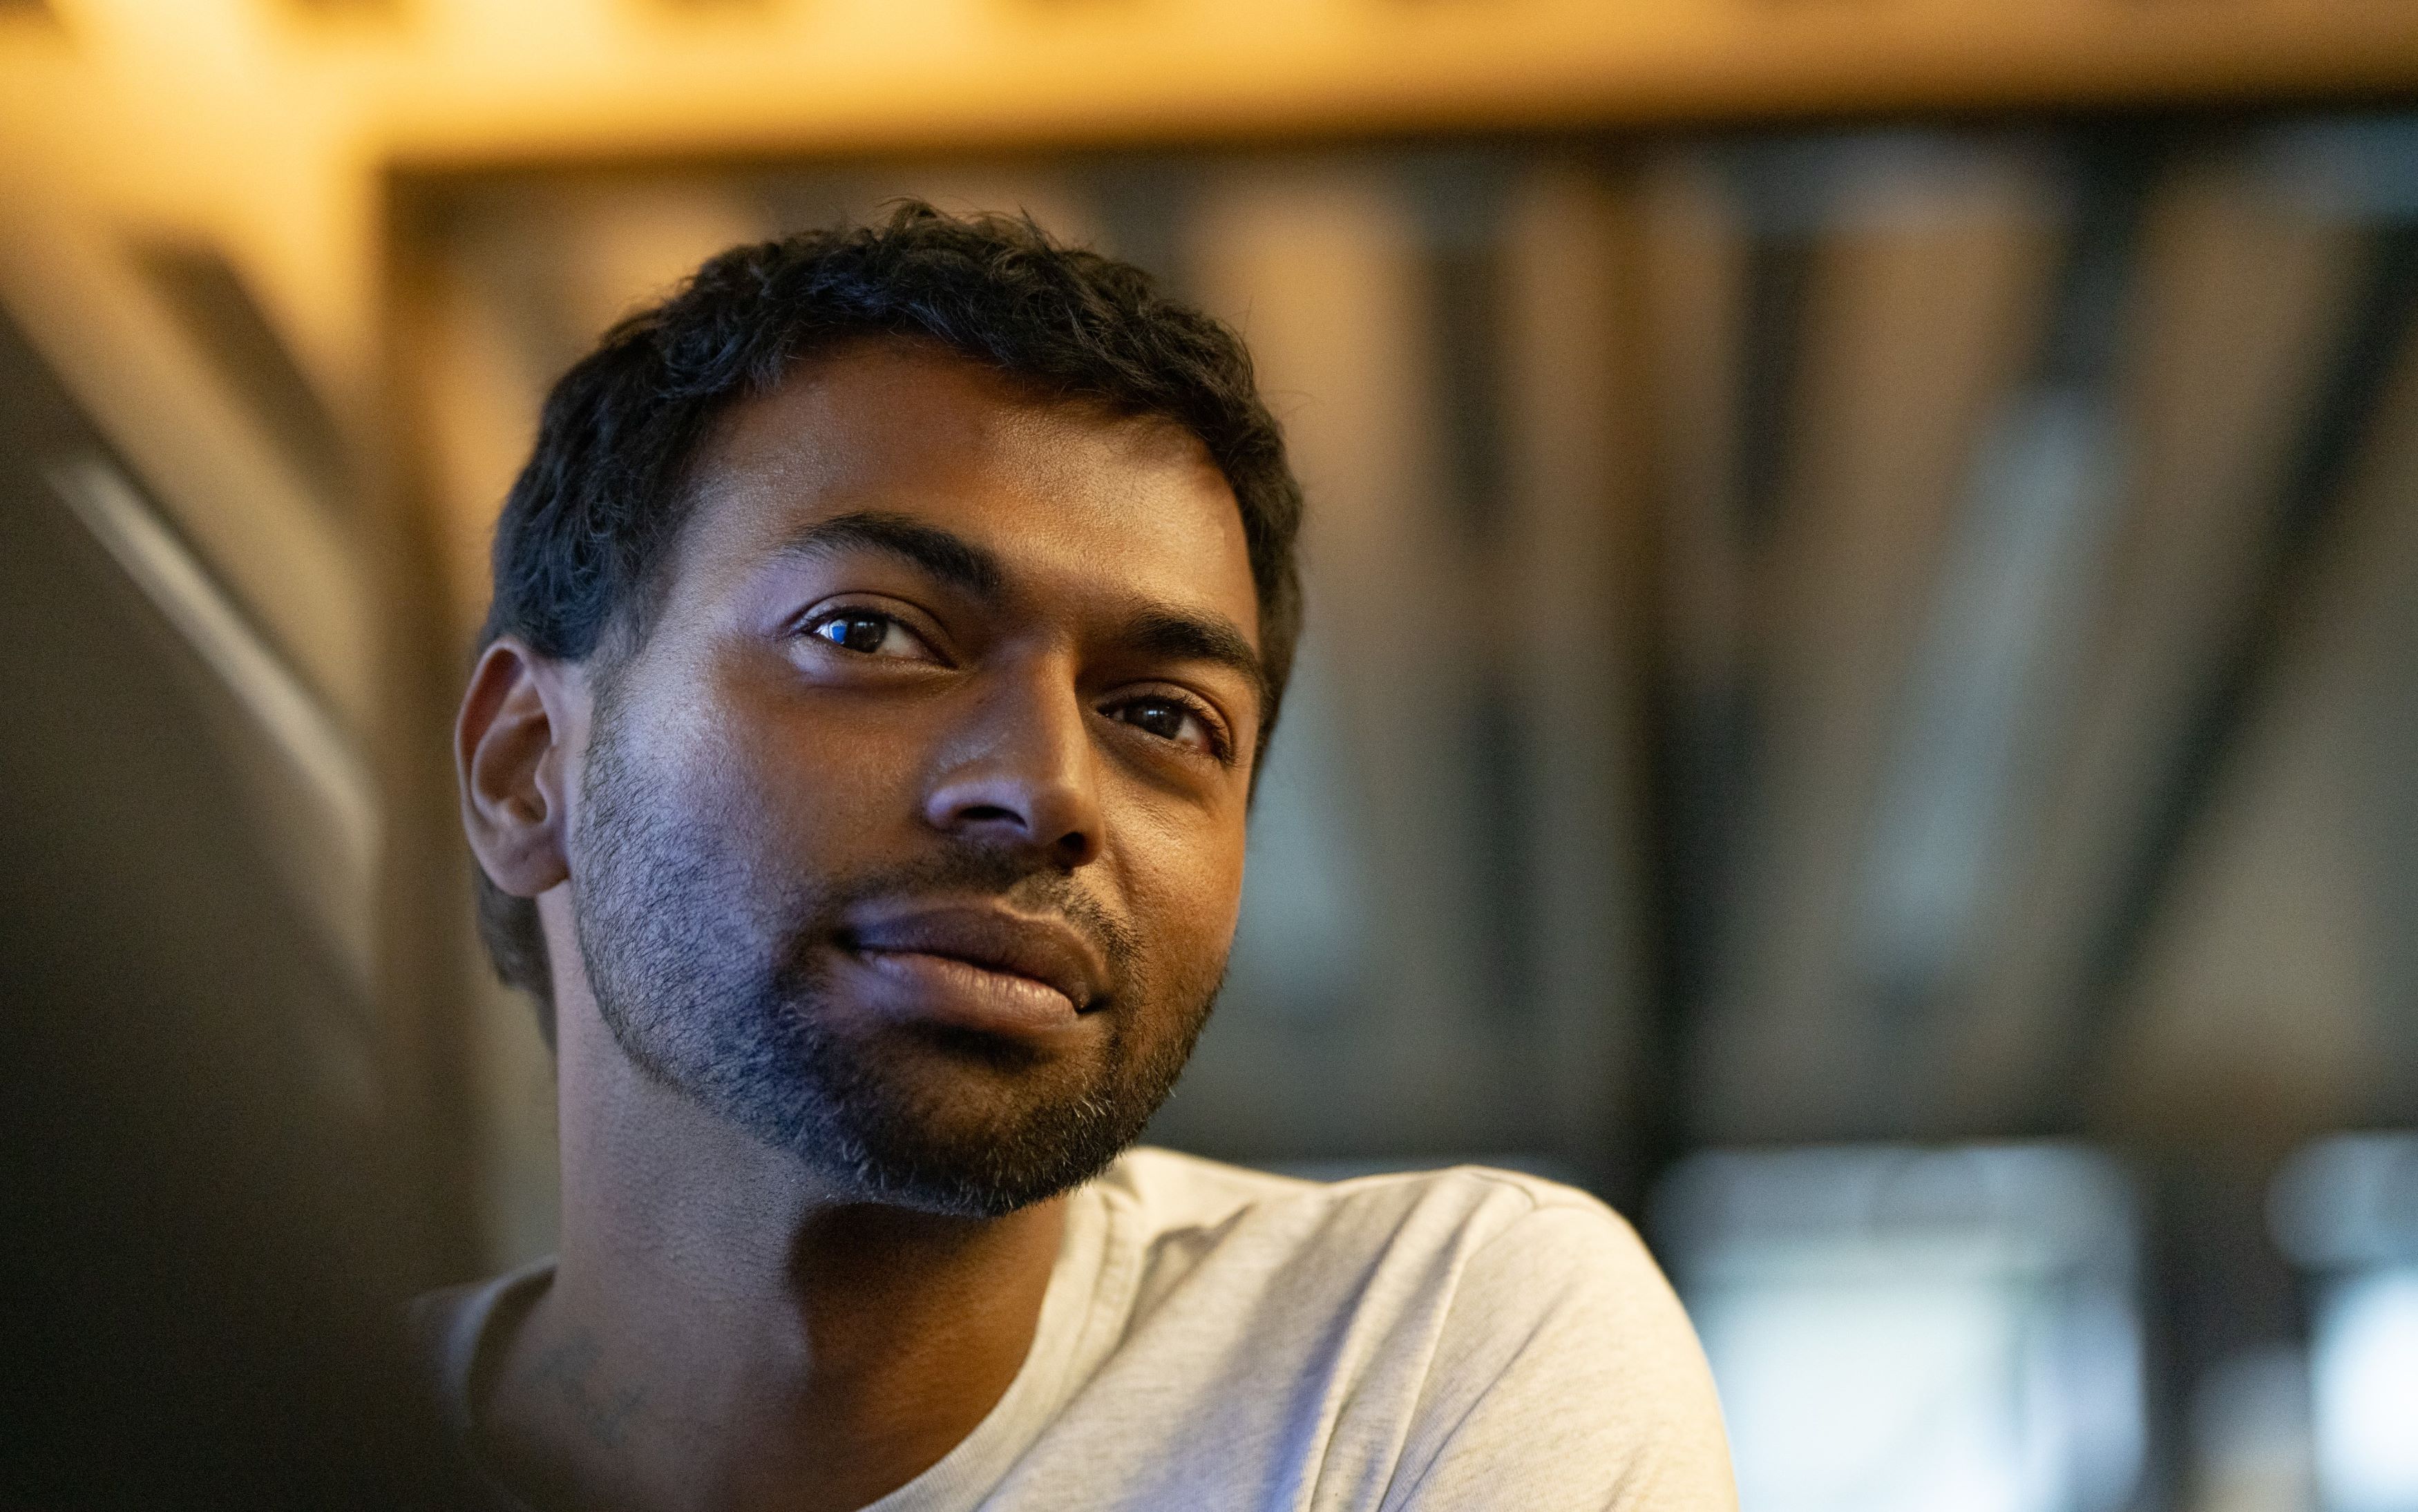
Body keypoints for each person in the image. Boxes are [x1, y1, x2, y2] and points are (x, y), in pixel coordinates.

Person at [423, 202, 1736, 1511]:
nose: (1048, 789)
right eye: (871, 633)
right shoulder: (248, 1438)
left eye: (1163, 718)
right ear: (527, 764)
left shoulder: (1419, 1353)